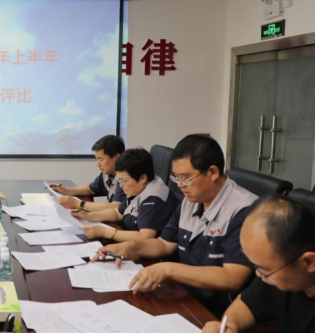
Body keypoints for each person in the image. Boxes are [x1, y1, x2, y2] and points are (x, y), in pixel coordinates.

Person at [95, 134, 256, 316]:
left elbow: (232, 278)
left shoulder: (244, 210)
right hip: (184, 295)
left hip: (217, 313)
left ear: (212, 172)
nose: (180, 185)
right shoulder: (191, 200)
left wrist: (168, 269)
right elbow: (164, 244)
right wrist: (129, 247)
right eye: (176, 177)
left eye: (186, 178)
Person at [202, 196, 314, 333]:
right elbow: (247, 304)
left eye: (263, 269)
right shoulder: (280, 274)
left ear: (308, 262)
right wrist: (229, 326)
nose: (257, 274)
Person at [75, 148, 179, 242]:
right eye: (119, 180)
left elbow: (144, 237)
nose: (120, 185)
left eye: (124, 181)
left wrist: (105, 232)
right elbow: (117, 213)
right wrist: (87, 216)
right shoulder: (137, 187)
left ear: (143, 178)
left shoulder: (154, 197)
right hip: (128, 236)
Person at [50, 135, 126, 212]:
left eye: (101, 159)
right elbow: (91, 188)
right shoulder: (107, 174)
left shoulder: (126, 177)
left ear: (117, 157)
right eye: (97, 159)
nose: (98, 164)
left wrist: (79, 204)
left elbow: (116, 207)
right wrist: (65, 190)